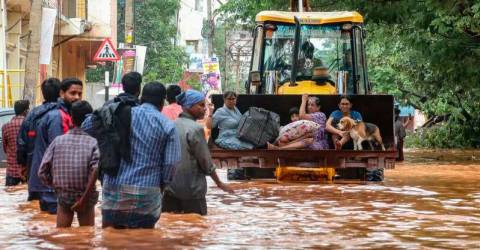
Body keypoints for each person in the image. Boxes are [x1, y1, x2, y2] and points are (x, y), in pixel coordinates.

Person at [97, 82, 181, 229]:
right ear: (163, 102)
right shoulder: (167, 125)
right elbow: (171, 163)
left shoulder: (120, 114)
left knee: (111, 238)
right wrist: (162, 185)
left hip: (114, 188)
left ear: (141, 98)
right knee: (144, 240)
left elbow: (87, 127)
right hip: (148, 191)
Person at [163, 90, 234, 216]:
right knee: (197, 227)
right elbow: (206, 162)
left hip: (170, 190)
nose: (204, 109)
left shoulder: (171, 125)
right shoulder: (195, 129)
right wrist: (219, 183)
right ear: (189, 106)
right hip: (192, 191)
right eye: (201, 105)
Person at [38, 101, 99, 227]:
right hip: (86, 196)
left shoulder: (57, 141)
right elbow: (95, 170)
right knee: (87, 237)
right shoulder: (93, 142)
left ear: (71, 117)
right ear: (90, 119)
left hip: (64, 195)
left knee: (62, 237)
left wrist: (56, 186)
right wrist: (84, 198)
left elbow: (42, 171)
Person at [29, 77, 83, 214]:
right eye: (73, 93)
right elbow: (59, 151)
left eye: (79, 94)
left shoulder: (63, 114)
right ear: (61, 93)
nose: (77, 97)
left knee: (52, 229)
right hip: (52, 185)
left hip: (50, 184)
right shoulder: (57, 117)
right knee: (58, 224)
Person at [82, 71, 142, 182]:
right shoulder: (141, 110)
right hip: (136, 175)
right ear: (139, 89)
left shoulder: (108, 106)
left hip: (110, 171)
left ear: (123, 87)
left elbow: (86, 127)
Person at [17, 78, 61, 199]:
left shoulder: (32, 114)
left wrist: (22, 164)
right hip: (57, 177)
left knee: (36, 210)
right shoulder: (63, 113)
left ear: (43, 93)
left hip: (34, 175)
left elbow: (21, 142)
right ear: (61, 92)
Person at [206, 91, 253, 180]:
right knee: (242, 146)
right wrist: (210, 112)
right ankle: (234, 171)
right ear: (224, 99)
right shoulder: (220, 111)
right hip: (226, 137)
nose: (231, 101)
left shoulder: (236, 110)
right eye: (229, 99)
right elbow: (209, 126)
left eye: (233, 99)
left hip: (238, 136)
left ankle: (239, 170)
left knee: (251, 143)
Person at [3, 100, 29, 186]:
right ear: (25, 111)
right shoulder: (30, 125)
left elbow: (5, 148)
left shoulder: (6, 126)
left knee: (10, 194)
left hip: (11, 172)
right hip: (26, 171)